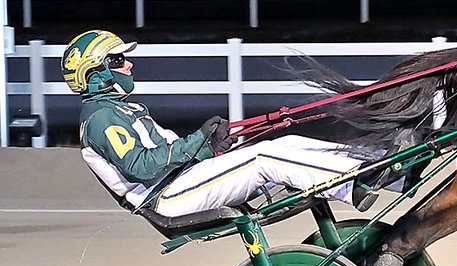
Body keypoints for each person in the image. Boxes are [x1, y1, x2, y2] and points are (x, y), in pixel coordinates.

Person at [63, 29, 386, 218]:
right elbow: (143, 168)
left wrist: (209, 149)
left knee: (285, 144)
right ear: (97, 71)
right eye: (118, 60)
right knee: (265, 158)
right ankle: (350, 185)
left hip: (181, 182)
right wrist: (197, 139)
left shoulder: (122, 109)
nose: (129, 64)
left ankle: (381, 164)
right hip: (169, 197)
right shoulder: (101, 119)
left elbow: (165, 156)